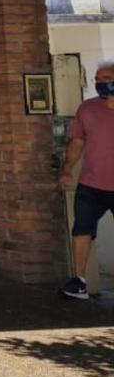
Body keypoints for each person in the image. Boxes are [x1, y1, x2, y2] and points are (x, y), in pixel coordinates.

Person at [59, 60, 114, 299]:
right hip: (91, 183)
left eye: (107, 78)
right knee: (82, 229)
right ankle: (79, 281)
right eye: (98, 80)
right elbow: (77, 142)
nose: (102, 83)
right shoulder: (87, 109)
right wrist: (66, 168)